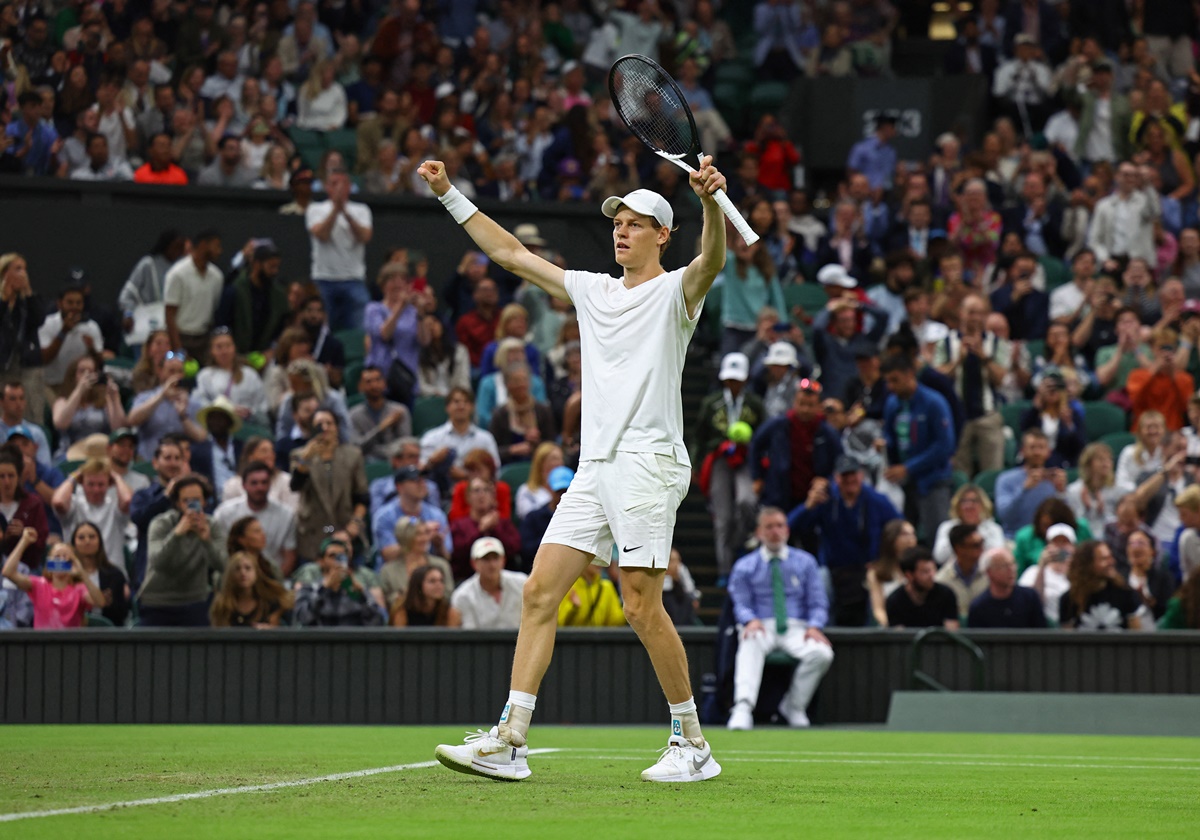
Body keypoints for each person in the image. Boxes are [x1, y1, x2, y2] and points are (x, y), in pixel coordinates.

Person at [421, 154, 730, 782]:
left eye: (636, 223)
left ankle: (691, 742)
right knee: (537, 593)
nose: (621, 230)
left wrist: (710, 204)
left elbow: (712, 261)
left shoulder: (677, 291)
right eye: (617, 221)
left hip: (648, 464)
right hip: (594, 469)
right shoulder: (590, 289)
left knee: (640, 607)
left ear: (662, 236)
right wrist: (448, 191)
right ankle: (511, 739)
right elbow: (509, 253)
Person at [725, 507, 833, 731]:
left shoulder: (806, 562)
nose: (775, 531)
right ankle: (743, 707)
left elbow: (818, 602)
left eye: (780, 526)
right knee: (750, 641)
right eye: (769, 526)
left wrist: (815, 626)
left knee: (822, 653)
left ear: (787, 529)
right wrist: (750, 620)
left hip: (797, 627)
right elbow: (741, 603)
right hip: (761, 625)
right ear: (759, 532)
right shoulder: (744, 566)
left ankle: (794, 706)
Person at [787, 454, 901, 626]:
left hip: (867, 567)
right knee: (820, 582)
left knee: (877, 587)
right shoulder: (826, 500)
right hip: (833, 569)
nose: (850, 480)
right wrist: (808, 506)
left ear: (861, 475)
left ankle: (874, 637)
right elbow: (790, 528)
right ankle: (825, 636)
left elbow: (899, 527)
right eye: (844, 476)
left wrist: (882, 559)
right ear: (836, 478)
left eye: (853, 474)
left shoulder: (875, 500)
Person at [692, 352, 765, 581]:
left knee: (746, 501)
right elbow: (699, 436)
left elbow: (763, 436)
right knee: (723, 516)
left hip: (746, 459)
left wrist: (762, 465)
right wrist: (695, 464)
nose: (733, 383)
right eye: (730, 379)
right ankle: (725, 569)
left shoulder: (755, 403)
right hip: (719, 460)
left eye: (738, 379)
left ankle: (740, 543)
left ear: (745, 379)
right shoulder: (711, 403)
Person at [880, 351, 956, 541]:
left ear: (909, 374)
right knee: (903, 539)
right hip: (905, 483)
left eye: (895, 380)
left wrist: (908, 467)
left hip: (933, 481)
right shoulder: (892, 404)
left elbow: (945, 445)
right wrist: (883, 444)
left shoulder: (934, 402)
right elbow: (889, 434)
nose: (891, 386)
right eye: (888, 381)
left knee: (935, 538)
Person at [933, 294, 1010, 477]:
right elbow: (937, 377)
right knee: (959, 473)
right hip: (956, 416)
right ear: (961, 313)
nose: (975, 317)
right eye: (971, 312)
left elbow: (1000, 379)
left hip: (988, 415)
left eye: (980, 313)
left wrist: (984, 358)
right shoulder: (945, 342)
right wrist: (958, 361)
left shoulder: (996, 342)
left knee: (993, 473)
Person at [138, 475, 227, 627]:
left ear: (204, 501)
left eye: (197, 500)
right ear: (178, 503)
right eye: (186, 501)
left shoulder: (212, 525)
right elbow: (158, 562)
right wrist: (176, 534)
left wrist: (206, 541)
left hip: (195, 600)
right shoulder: (161, 523)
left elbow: (224, 565)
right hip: (157, 600)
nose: (192, 506)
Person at [749, 378, 841, 514]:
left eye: (810, 405)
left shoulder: (827, 432)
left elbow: (840, 460)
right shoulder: (778, 425)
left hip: (813, 498)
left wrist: (827, 480)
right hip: (778, 494)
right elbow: (755, 444)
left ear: (818, 406)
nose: (805, 409)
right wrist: (758, 477)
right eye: (801, 403)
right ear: (794, 403)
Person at [289, 409, 368, 564]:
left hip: (345, 528)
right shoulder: (299, 455)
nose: (324, 427)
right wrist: (306, 459)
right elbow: (295, 486)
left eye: (329, 423)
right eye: (319, 424)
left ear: (337, 427)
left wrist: (356, 522)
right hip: (314, 532)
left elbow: (362, 496)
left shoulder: (353, 455)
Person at [306, 166, 373, 331]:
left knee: (360, 330)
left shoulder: (361, 210)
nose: (338, 188)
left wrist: (346, 213)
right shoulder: (315, 209)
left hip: (354, 279)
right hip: (324, 279)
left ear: (349, 187)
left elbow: (364, 237)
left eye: (343, 184)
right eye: (334, 183)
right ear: (327, 187)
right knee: (323, 330)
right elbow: (321, 234)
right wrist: (336, 209)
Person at [2, 529, 103, 629]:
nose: (60, 560)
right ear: (49, 562)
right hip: (43, 643)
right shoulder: (39, 585)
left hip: (70, 643)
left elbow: (100, 602)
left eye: (65, 557)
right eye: (57, 556)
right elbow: (8, 572)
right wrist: (24, 541)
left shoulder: (79, 589)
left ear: (72, 562)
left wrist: (82, 573)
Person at [213, 461, 298, 578]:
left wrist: (274, 584)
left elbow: (289, 556)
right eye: (254, 483)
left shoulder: (286, 514)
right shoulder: (225, 513)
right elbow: (220, 551)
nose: (260, 487)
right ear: (244, 485)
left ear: (270, 484)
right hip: (235, 577)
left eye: (264, 482)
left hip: (273, 576)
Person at [50, 457, 132, 576]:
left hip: (111, 574)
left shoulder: (115, 507)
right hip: (76, 575)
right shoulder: (74, 505)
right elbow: (58, 502)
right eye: (90, 484)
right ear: (82, 483)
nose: (96, 489)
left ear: (109, 484)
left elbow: (128, 500)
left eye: (101, 484)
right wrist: (74, 476)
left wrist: (116, 477)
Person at [162, 230, 223, 364]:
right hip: (181, 337)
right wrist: (178, 349)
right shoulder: (177, 274)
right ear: (202, 245)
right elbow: (169, 314)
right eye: (216, 245)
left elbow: (214, 311)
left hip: (204, 339)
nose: (220, 251)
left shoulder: (217, 276)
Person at [294, 537, 385, 627]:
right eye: (332, 556)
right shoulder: (309, 588)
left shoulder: (355, 589)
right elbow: (303, 618)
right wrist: (324, 588)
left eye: (341, 557)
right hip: (321, 639)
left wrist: (362, 597)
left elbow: (377, 623)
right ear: (321, 561)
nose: (337, 562)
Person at [51, 354, 127, 461]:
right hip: (69, 454)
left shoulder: (105, 400)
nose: (87, 375)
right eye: (82, 371)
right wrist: (79, 391)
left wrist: (115, 399)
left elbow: (118, 429)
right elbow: (60, 423)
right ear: (74, 375)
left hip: (101, 454)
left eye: (91, 371)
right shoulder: (62, 401)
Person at [995, 429, 1068, 538]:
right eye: (1032, 447)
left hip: (1050, 538)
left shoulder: (1054, 479)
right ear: (1023, 451)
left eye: (1041, 447)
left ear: (1048, 452)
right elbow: (1005, 516)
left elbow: (1067, 519)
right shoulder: (1006, 479)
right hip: (1014, 538)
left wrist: (1061, 492)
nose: (1037, 452)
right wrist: (1024, 489)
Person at [373, 465, 452, 565]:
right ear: (399, 487)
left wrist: (439, 545)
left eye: (423, 479)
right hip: (395, 573)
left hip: (427, 569)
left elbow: (447, 557)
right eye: (415, 480)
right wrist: (420, 535)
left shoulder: (436, 514)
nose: (422, 483)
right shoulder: (384, 516)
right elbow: (388, 555)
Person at [449, 477, 521, 583]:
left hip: (504, 578)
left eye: (486, 490)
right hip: (467, 579)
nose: (481, 495)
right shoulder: (459, 525)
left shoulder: (503, 523)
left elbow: (515, 549)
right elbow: (458, 555)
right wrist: (480, 530)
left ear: (493, 497)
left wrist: (495, 529)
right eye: (476, 490)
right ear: (468, 497)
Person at [1060, 539, 1142, 630]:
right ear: (1088, 564)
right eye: (1104, 559)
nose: (1112, 562)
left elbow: (1137, 636)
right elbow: (1067, 639)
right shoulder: (1069, 599)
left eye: (1110, 557)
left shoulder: (1126, 593)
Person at [452, 535, 528, 630]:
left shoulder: (522, 583)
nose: (492, 565)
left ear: (503, 560)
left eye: (495, 558)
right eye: (486, 559)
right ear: (474, 563)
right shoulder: (462, 596)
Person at [194, 330, 268, 427]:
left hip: (248, 425)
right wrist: (223, 409)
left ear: (234, 348)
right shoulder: (205, 375)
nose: (224, 351)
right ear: (212, 351)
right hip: (218, 425)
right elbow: (199, 401)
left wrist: (250, 412)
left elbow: (263, 403)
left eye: (228, 346)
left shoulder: (249, 374)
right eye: (219, 347)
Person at [1127, 327, 1194, 431]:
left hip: (1173, 432)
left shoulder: (1184, 378)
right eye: (1161, 348)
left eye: (1169, 348)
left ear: (1175, 350)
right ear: (1152, 349)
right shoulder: (1138, 375)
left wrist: (1172, 375)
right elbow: (1135, 401)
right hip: (1144, 431)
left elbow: (1186, 407)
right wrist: (1154, 370)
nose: (1165, 352)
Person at [378, 518, 454, 609]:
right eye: (418, 534)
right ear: (405, 537)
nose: (424, 538)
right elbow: (389, 600)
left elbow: (448, 595)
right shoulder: (388, 571)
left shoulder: (441, 565)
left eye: (426, 533)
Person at [209, 551, 294, 628]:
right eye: (237, 569)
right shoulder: (222, 605)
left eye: (248, 568)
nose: (243, 573)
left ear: (256, 573)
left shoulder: (270, 602)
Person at [967, 547, 1047, 628]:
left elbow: (1042, 634)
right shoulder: (979, 607)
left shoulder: (1030, 597)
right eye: (1004, 566)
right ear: (989, 572)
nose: (1012, 569)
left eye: (1013, 564)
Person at [885, 546, 961, 629]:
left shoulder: (946, 594)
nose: (932, 575)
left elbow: (952, 634)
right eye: (925, 572)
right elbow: (898, 637)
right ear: (909, 575)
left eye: (933, 569)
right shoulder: (894, 601)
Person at [71, 520, 130, 627]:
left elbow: (121, 613)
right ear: (73, 543)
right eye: (81, 538)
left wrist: (109, 604)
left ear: (100, 542)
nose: (87, 541)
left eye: (92, 537)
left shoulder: (115, 574)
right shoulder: (66, 574)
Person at [348, 365, 411, 462]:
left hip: (395, 461)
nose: (374, 385)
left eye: (378, 380)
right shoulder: (353, 415)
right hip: (367, 463)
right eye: (368, 382)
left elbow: (405, 444)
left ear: (384, 383)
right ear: (361, 386)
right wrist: (381, 428)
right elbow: (357, 447)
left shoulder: (399, 410)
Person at [931, 484, 1005, 566]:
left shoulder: (993, 528)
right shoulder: (947, 527)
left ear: (983, 505)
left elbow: (997, 557)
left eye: (974, 501)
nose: (969, 506)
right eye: (964, 501)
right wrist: (958, 534)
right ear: (957, 505)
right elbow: (939, 557)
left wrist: (977, 531)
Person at [1065, 443, 1127, 538]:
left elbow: (1122, 523)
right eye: (1101, 459)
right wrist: (1087, 509)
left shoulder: (1119, 490)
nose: (1106, 463)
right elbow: (1073, 523)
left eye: (1108, 459)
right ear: (1088, 464)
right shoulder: (1074, 490)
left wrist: (1102, 511)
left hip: (1111, 539)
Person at [934, 523, 990, 621]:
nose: (982, 549)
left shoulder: (990, 574)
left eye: (982, 542)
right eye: (976, 545)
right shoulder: (941, 581)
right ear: (959, 549)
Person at [867, 519, 916, 627]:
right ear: (891, 538)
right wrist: (892, 625)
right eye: (905, 534)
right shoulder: (876, 573)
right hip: (890, 627)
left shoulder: (919, 569)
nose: (911, 539)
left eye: (913, 534)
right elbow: (878, 609)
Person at [390, 564, 461, 627]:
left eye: (441, 581)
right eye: (432, 581)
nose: (439, 585)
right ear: (418, 585)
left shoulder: (450, 612)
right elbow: (399, 639)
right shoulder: (402, 611)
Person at [557, 563, 625, 628]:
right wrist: (573, 608)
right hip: (570, 639)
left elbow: (616, 621)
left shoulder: (607, 587)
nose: (599, 563)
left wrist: (628, 610)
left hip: (599, 638)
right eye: (594, 559)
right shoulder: (568, 586)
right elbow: (559, 622)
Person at [515, 442, 564, 521]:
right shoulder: (526, 491)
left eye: (561, 458)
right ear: (541, 463)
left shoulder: (566, 489)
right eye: (554, 459)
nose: (560, 463)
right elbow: (529, 519)